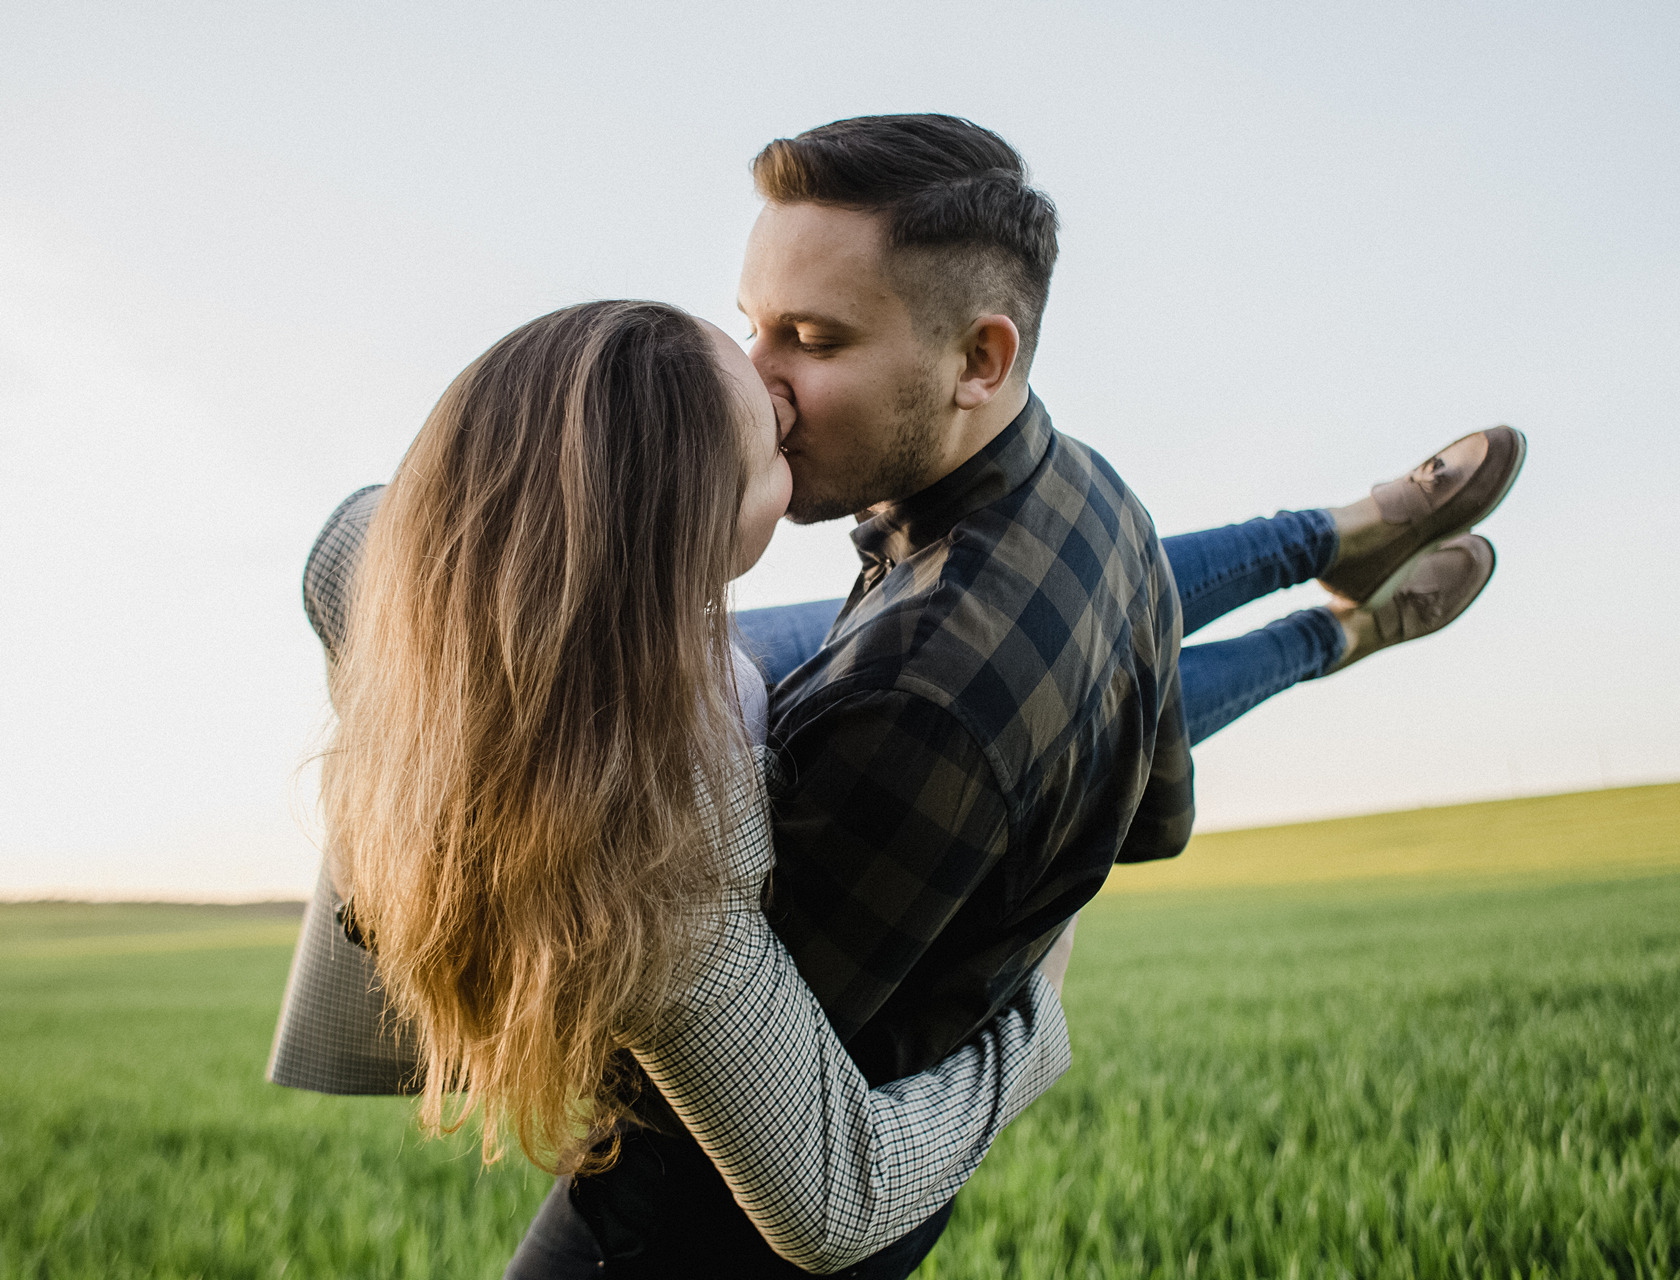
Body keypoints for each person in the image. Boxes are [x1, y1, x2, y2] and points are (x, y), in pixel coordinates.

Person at [269, 114, 1525, 1277]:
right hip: (691, 1197)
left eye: (804, 344)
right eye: (755, 353)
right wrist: (1024, 1033)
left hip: (598, 786)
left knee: (1007, 630)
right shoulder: (689, 831)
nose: (770, 388)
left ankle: (1335, 569)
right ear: (677, 554)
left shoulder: (391, 555)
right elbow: (821, 1172)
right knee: (1039, 627)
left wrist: (435, 666)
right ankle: (1335, 593)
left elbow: (366, 542)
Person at [301, 299, 1082, 1275]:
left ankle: (1310, 569)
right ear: (695, 540)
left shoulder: (387, 566)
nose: (785, 400)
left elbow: (332, 556)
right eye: (770, 450)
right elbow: (840, 1197)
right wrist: (1037, 1013)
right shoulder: (662, 839)